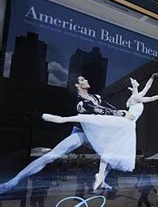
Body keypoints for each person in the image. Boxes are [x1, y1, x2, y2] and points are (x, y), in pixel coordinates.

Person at [0, 76, 130, 195]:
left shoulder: (97, 97)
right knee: (51, 156)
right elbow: (99, 110)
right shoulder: (81, 104)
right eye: (82, 80)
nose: (86, 81)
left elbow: (109, 107)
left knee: (113, 154)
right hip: (81, 134)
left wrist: (122, 112)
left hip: (95, 136)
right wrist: (122, 114)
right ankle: (13, 181)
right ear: (77, 85)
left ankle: (101, 179)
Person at [42, 73, 158, 190]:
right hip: (126, 124)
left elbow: (147, 88)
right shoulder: (136, 97)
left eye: (136, 82)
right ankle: (61, 119)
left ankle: (101, 176)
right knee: (102, 136)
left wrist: (152, 77)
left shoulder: (136, 95)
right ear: (134, 85)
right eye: (136, 82)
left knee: (111, 151)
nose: (137, 83)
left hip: (129, 126)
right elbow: (151, 97)